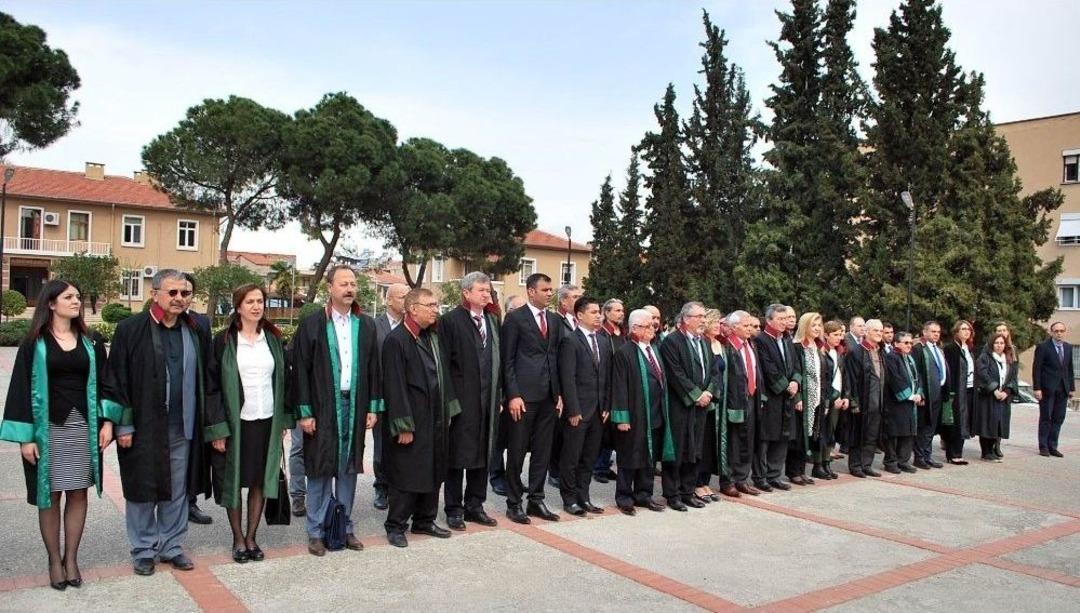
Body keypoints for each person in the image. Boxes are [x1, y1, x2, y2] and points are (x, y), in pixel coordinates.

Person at [1, 280, 115, 590]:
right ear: (51, 304)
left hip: (83, 428)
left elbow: (107, 384)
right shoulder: (34, 343)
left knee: (78, 492)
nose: (77, 301)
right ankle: (54, 560)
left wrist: (108, 423)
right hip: (46, 430)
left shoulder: (92, 341)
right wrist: (26, 437)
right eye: (69, 297)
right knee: (49, 495)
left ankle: (72, 559)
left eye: (78, 295)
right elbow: (21, 389)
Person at [105, 269, 221, 576]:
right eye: (172, 293)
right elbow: (116, 379)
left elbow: (209, 378)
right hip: (142, 426)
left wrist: (213, 424)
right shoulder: (131, 329)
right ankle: (143, 548)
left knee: (177, 489)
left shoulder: (196, 328)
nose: (179, 299)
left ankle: (171, 545)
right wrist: (123, 425)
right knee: (143, 486)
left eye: (184, 293)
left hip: (184, 425)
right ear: (154, 293)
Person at [292, 265, 382, 556]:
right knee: (319, 469)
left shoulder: (365, 324)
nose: (349, 288)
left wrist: (372, 407)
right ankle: (316, 531)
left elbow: (373, 369)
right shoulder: (313, 323)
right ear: (329, 288)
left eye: (353, 283)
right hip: (321, 406)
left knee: (348, 469)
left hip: (354, 404)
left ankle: (343, 527)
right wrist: (305, 412)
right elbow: (301, 371)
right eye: (343, 283)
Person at [208, 284, 294, 564]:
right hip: (236, 423)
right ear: (238, 306)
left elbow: (283, 382)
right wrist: (218, 428)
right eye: (250, 301)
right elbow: (213, 388)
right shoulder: (224, 341)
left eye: (260, 301)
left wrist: (283, 418)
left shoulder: (272, 339)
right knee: (234, 481)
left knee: (259, 480)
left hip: (266, 420)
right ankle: (237, 538)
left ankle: (252, 537)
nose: (256, 306)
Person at [382, 288, 457, 547]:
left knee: (433, 469)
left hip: (435, 416)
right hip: (412, 419)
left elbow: (443, 375)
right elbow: (394, 386)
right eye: (431, 305)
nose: (436, 309)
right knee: (407, 473)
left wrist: (449, 410)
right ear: (413, 309)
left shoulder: (431, 337)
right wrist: (403, 425)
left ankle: (425, 520)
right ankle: (396, 525)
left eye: (437, 304)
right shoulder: (397, 340)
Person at [440, 273, 501, 530]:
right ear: (466, 293)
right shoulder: (450, 321)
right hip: (461, 402)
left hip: (487, 399)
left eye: (488, 290)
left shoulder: (492, 320)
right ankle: (454, 508)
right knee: (457, 457)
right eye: (481, 290)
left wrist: (500, 396)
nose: (487, 294)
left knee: (483, 455)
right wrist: (450, 403)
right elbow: (443, 364)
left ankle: (475, 505)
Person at [501, 272, 563, 524]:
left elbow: (556, 357)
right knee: (516, 451)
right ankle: (514, 502)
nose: (550, 293)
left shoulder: (554, 320)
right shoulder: (515, 319)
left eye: (551, 289)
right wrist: (513, 394)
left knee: (542, 451)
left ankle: (536, 499)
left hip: (549, 396)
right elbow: (508, 360)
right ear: (531, 291)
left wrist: (559, 393)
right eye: (545, 289)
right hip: (523, 398)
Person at [610, 309, 675, 515]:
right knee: (630, 457)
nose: (652, 329)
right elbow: (619, 386)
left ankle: (643, 494)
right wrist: (621, 417)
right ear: (635, 328)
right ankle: (624, 497)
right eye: (648, 326)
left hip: (655, 414)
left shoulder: (654, 349)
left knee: (649, 457)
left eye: (653, 325)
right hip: (634, 414)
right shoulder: (624, 352)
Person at [557, 296, 611, 516]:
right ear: (579, 315)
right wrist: (573, 410)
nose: (598, 315)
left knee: (589, 458)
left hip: (599, 411)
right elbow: (567, 378)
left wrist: (606, 404)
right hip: (578, 411)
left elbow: (607, 377)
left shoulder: (604, 342)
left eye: (599, 312)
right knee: (571, 457)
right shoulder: (570, 341)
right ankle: (569, 499)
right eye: (593, 312)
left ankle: (583, 497)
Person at [659, 302, 716, 510]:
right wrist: (695, 395)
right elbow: (675, 373)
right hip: (680, 406)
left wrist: (708, 392)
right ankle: (673, 494)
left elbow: (713, 371)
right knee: (678, 449)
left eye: (704, 316)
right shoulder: (672, 342)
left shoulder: (704, 342)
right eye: (699, 316)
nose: (703, 320)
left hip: (701, 406)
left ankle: (688, 491)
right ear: (685, 319)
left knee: (696, 449)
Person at [752, 304, 802, 491]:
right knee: (765, 438)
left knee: (783, 436)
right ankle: (760, 476)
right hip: (771, 396)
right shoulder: (762, 340)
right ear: (770, 320)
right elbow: (767, 367)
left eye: (786, 319)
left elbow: (796, 365)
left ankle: (774, 474)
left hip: (788, 396)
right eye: (780, 319)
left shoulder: (787, 339)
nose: (784, 323)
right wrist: (784, 386)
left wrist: (796, 381)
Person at [369, 282, 408, 512]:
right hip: (382, 396)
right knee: (382, 445)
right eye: (402, 297)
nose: (406, 300)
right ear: (389, 300)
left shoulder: (413, 326)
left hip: (406, 397)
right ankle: (381, 486)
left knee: (404, 444)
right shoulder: (375, 326)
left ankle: (399, 486)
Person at [716, 310, 761, 498]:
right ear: (734, 327)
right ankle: (728, 481)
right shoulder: (728, 347)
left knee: (747, 440)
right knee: (733, 442)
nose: (750, 329)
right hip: (733, 401)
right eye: (745, 325)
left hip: (750, 398)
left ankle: (742, 479)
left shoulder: (750, 345)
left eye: (751, 325)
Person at [549, 283, 583, 489]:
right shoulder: (557, 322)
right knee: (558, 433)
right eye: (575, 296)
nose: (579, 299)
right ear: (563, 301)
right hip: (562, 383)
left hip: (581, 385)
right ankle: (554, 470)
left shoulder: (579, 322)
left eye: (581, 296)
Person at [846, 319, 886, 478]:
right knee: (858, 433)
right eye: (876, 331)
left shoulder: (880, 351)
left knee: (872, 434)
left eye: (881, 331)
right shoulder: (857, 352)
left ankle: (866, 464)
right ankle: (856, 465)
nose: (879, 334)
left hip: (878, 402)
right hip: (863, 401)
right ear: (867, 332)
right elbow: (852, 379)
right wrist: (854, 401)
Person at [792, 312, 826, 486]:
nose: (817, 328)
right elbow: (795, 372)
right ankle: (794, 471)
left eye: (819, 325)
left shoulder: (818, 346)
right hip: (803, 398)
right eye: (813, 325)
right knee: (799, 436)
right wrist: (797, 397)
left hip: (817, 397)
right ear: (805, 326)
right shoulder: (798, 346)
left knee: (811, 435)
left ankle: (802, 470)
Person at [593, 298, 626, 484]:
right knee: (604, 429)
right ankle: (598, 466)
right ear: (606, 313)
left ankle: (604, 465)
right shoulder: (602, 334)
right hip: (607, 385)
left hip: (620, 385)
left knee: (614, 430)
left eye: (622, 310)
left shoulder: (623, 333)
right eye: (617, 310)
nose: (621, 313)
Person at [695, 309, 726, 501]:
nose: (718, 326)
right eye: (714, 323)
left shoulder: (719, 345)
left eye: (719, 323)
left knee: (710, 445)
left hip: (716, 399)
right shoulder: (703, 343)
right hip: (705, 399)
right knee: (702, 443)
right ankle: (697, 483)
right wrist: (708, 393)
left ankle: (705, 481)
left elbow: (720, 373)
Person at [973, 334, 1018, 462]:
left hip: (1003, 398)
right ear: (991, 344)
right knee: (987, 424)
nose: (999, 345)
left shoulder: (1008, 360)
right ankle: (986, 452)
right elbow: (982, 374)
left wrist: (1007, 391)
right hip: (988, 398)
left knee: (999, 424)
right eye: (996, 343)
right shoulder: (985, 357)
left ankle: (993, 449)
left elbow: (1013, 378)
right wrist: (994, 390)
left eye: (1002, 343)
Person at [1032, 322, 1073, 457]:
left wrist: (1071, 387)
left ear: (1064, 332)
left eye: (1061, 331)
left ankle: (1053, 445)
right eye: (1056, 331)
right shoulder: (1043, 347)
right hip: (1047, 389)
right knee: (1046, 417)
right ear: (1051, 332)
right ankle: (1043, 446)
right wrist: (1037, 388)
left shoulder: (1068, 347)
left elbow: (1069, 369)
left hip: (1063, 389)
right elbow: (1036, 368)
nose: (1059, 333)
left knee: (1058, 418)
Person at [882, 332, 922, 474]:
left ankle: (903, 461)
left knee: (908, 432)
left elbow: (917, 377)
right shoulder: (891, 357)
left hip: (911, 402)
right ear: (896, 343)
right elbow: (894, 379)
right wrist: (909, 395)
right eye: (906, 343)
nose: (909, 345)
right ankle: (891, 461)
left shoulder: (909, 357)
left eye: (911, 343)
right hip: (896, 402)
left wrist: (918, 393)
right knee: (894, 433)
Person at [910, 321, 948, 469]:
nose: (936, 334)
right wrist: (920, 393)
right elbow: (917, 373)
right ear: (924, 332)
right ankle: (919, 457)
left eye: (938, 332)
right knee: (923, 427)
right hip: (925, 395)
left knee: (931, 427)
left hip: (937, 392)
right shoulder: (919, 349)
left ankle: (927, 455)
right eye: (933, 331)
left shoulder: (938, 348)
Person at [817, 320, 850, 479]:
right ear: (826, 335)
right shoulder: (821, 352)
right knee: (822, 432)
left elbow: (843, 377)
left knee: (831, 432)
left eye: (840, 335)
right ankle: (819, 464)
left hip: (838, 398)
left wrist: (844, 396)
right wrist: (831, 397)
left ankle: (827, 462)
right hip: (827, 399)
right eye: (835, 335)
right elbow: (823, 379)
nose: (839, 338)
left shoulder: (838, 353)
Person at [941, 321, 975, 465]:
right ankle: (953, 453)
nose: (966, 332)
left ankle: (959, 452)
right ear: (956, 331)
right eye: (963, 329)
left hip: (969, 390)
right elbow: (949, 371)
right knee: (954, 422)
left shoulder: (970, 349)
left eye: (968, 329)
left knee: (964, 422)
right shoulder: (951, 348)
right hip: (955, 391)